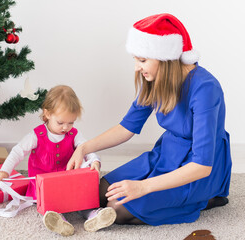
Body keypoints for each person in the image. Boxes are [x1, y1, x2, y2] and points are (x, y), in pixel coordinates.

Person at [67, 13, 232, 226]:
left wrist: (143, 187)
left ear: (165, 58)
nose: (137, 67)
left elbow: (201, 165)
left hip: (197, 168)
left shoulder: (205, 89)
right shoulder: (156, 80)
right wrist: (83, 148)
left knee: (118, 206)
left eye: (142, 60)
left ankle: (206, 198)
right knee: (101, 190)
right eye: (136, 60)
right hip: (166, 155)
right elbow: (127, 127)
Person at [0, 85, 116, 236]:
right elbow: (18, 152)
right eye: (61, 123)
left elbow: (86, 148)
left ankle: (94, 216)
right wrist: (4, 170)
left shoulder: (73, 134)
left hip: (68, 181)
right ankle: (57, 220)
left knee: (81, 197)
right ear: (47, 114)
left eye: (71, 122)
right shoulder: (36, 135)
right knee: (51, 203)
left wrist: (95, 162)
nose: (66, 127)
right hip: (45, 185)